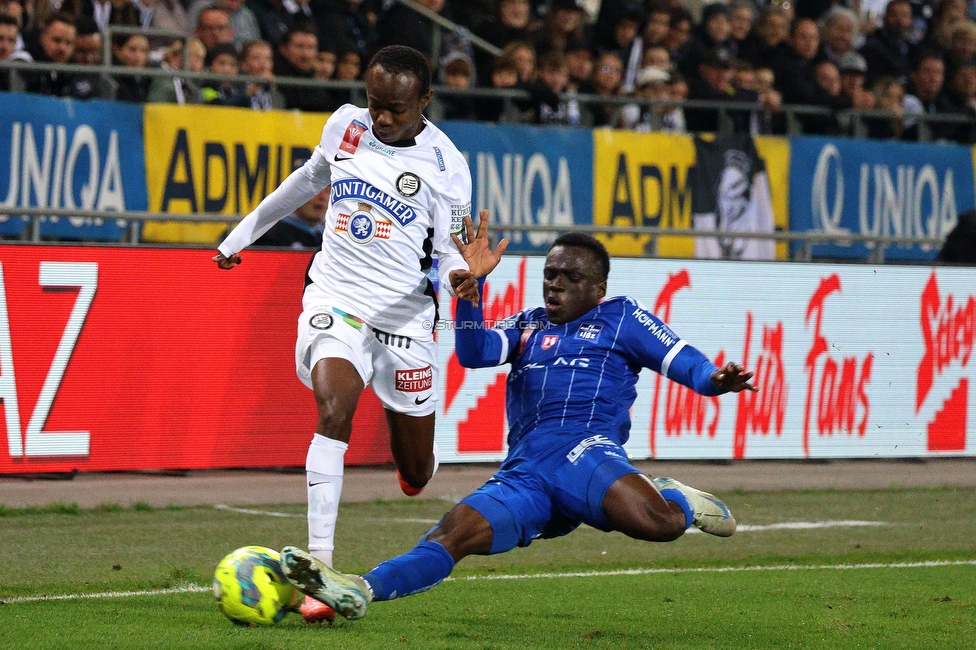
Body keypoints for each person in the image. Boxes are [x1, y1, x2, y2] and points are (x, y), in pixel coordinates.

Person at [277, 224, 758, 621]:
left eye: (570, 277)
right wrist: (471, 292)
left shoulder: (622, 318)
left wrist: (717, 379)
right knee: (452, 534)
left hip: (585, 453)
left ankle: (676, 498)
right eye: (550, 274)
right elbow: (475, 351)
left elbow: (685, 362)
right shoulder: (529, 325)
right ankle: (359, 589)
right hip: (526, 474)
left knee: (662, 524)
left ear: (598, 289)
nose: (555, 284)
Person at [212, 44, 498, 624]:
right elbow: (304, 181)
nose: (381, 117)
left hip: (405, 319)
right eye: (374, 103)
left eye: (394, 108)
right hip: (336, 300)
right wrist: (240, 236)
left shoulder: (448, 167)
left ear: (424, 101)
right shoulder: (346, 125)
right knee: (333, 407)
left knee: (416, 473)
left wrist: (461, 276)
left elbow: (447, 254)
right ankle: (320, 568)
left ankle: (416, 461)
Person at [253, 185, 329, 248]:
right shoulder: (271, 234)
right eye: (315, 190)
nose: (322, 197)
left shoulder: (328, 238)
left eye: (328, 191)